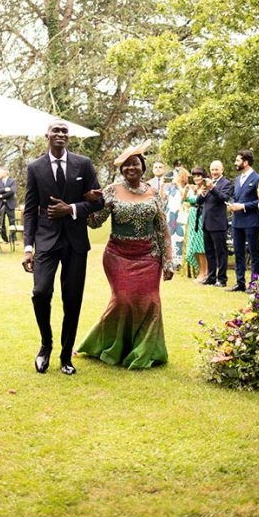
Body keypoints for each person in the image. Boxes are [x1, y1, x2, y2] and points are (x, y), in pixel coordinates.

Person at [77, 142, 173, 369]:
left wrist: (168, 261)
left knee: (150, 302)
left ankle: (144, 350)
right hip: (118, 255)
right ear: (121, 170)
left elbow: (162, 228)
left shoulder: (152, 192)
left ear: (143, 167)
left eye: (135, 164)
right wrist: (85, 204)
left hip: (149, 255)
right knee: (122, 300)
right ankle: (106, 345)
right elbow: (95, 221)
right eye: (127, 165)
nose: (131, 168)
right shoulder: (112, 190)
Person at [22, 120, 104, 375]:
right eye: (55, 130)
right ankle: (46, 345)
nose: (60, 134)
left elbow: (99, 201)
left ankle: (66, 356)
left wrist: (72, 209)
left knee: (72, 300)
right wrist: (27, 247)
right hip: (46, 241)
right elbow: (29, 211)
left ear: (69, 137)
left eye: (64, 131)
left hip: (76, 242)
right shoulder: (35, 168)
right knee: (40, 292)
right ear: (46, 135)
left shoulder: (83, 164)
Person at [228, 149, 259, 291]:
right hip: (237, 221)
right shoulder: (237, 179)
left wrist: (242, 206)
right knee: (238, 252)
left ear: (246, 162)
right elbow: (235, 196)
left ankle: (254, 283)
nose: (235, 163)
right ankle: (239, 282)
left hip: (251, 221)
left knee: (253, 253)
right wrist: (231, 204)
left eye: (238, 160)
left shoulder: (258, 179)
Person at [196, 160, 233, 287]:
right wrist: (202, 192)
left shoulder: (226, 183)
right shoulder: (206, 183)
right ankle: (211, 276)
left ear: (222, 170)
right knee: (209, 251)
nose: (214, 172)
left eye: (216, 169)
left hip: (218, 222)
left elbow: (224, 198)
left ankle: (222, 279)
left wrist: (212, 188)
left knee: (221, 252)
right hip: (206, 221)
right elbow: (199, 201)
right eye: (212, 170)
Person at [184, 167, 208, 281]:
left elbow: (199, 200)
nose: (196, 178)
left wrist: (197, 192)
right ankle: (200, 271)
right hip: (192, 216)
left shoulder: (205, 188)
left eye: (199, 175)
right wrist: (186, 190)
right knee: (193, 246)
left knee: (200, 246)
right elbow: (184, 199)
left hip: (201, 216)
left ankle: (204, 272)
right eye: (194, 176)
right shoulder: (193, 189)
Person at [164, 165, 188, 269]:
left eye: (176, 175)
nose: (174, 177)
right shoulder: (170, 188)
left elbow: (184, 197)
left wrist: (178, 184)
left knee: (180, 237)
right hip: (170, 215)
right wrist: (162, 186)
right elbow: (163, 197)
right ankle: (170, 260)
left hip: (181, 215)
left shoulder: (187, 187)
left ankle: (179, 262)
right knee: (170, 237)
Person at [0, 166, 17, 242]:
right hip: (0, 204)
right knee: (1, 222)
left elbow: (12, 191)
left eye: (0, 172)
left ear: (6, 172)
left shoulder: (12, 181)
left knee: (12, 221)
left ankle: (13, 239)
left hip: (10, 204)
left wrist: (2, 196)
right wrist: (5, 189)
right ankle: (4, 239)